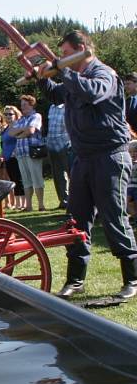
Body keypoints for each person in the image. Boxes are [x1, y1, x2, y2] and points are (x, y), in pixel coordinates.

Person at [35, 30, 137, 299]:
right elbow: (58, 95)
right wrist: (41, 79)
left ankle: (132, 278)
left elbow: (93, 93)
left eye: (67, 54)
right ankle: (75, 280)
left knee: (114, 218)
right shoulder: (75, 80)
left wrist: (61, 71)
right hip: (82, 158)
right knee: (76, 222)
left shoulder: (104, 73)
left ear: (82, 49)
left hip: (109, 157)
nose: (63, 59)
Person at [9, 95, 46, 211]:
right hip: (21, 153)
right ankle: (28, 206)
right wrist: (23, 131)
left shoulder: (36, 116)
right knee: (26, 181)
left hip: (32, 152)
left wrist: (19, 133)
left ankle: (41, 205)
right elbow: (11, 133)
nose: (22, 107)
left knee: (37, 179)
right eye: (21, 105)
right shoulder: (21, 119)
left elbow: (31, 131)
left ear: (32, 105)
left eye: (25, 105)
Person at [46, 102, 71, 209]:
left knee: (71, 174)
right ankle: (63, 201)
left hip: (65, 145)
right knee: (57, 175)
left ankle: (75, 201)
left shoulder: (68, 106)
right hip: (52, 145)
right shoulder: (51, 107)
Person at [0, 106, 26, 210]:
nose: (8, 116)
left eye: (10, 114)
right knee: (13, 180)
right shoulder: (6, 128)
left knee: (19, 180)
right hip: (7, 158)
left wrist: (15, 151)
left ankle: (23, 203)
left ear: (16, 115)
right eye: (6, 114)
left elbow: (19, 140)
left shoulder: (17, 126)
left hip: (16, 157)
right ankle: (17, 203)